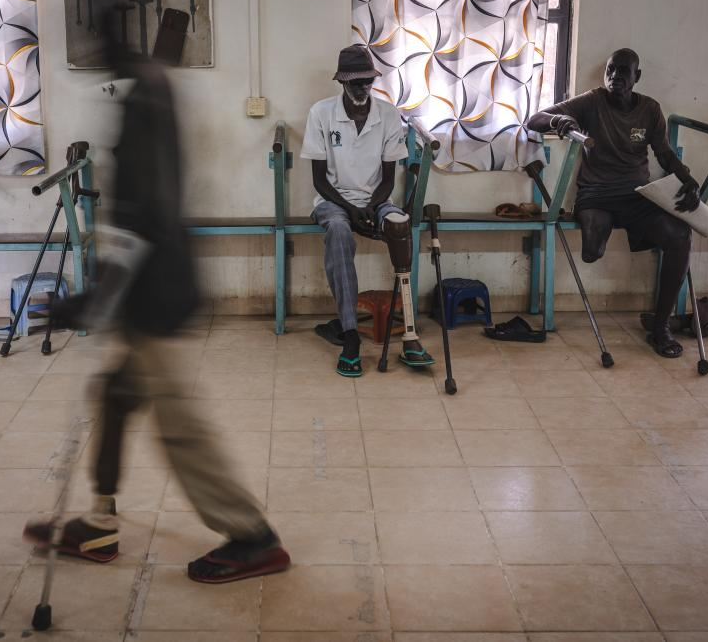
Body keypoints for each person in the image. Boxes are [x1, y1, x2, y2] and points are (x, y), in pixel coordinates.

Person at [23, 29, 289, 585]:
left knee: (180, 429)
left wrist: (93, 300)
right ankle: (100, 521)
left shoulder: (143, 102)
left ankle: (252, 537)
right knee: (115, 395)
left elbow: (142, 216)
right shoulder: (151, 90)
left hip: (153, 296)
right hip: (148, 290)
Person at [527, 48, 701, 358]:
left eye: (623, 71)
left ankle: (660, 326)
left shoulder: (649, 109)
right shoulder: (592, 101)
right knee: (592, 252)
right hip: (596, 194)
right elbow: (534, 119)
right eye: (610, 70)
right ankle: (610, 238)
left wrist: (686, 177)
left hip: (638, 195)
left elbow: (663, 153)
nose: (615, 77)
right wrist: (560, 120)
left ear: (637, 76)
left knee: (679, 236)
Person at [303, 44, 435, 376]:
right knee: (338, 230)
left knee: (400, 225)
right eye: (356, 82)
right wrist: (350, 210)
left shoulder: (388, 114)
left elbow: (388, 179)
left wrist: (372, 207)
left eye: (368, 81)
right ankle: (350, 336)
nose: (363, 87)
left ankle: (410, 334)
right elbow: (319, 180)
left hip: (377, 200)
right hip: (333, 201)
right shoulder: (321, 113)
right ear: (342, 81)